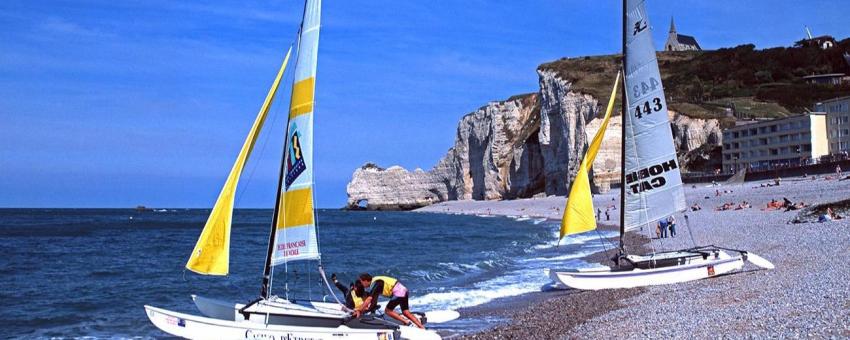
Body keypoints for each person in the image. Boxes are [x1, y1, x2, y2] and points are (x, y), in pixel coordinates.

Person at [355, 273, 424, 329]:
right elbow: (374, 300)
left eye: (362, 282)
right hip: (404, 290)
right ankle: (421, 327)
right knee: (406, 312)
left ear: (366, 281)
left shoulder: (376, 283)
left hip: (398, 292)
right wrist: (368, 309)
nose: (362, 285)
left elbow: (369, 299)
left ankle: (407, 322)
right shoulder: (376, 282)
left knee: (388, 311)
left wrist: (359, 310)